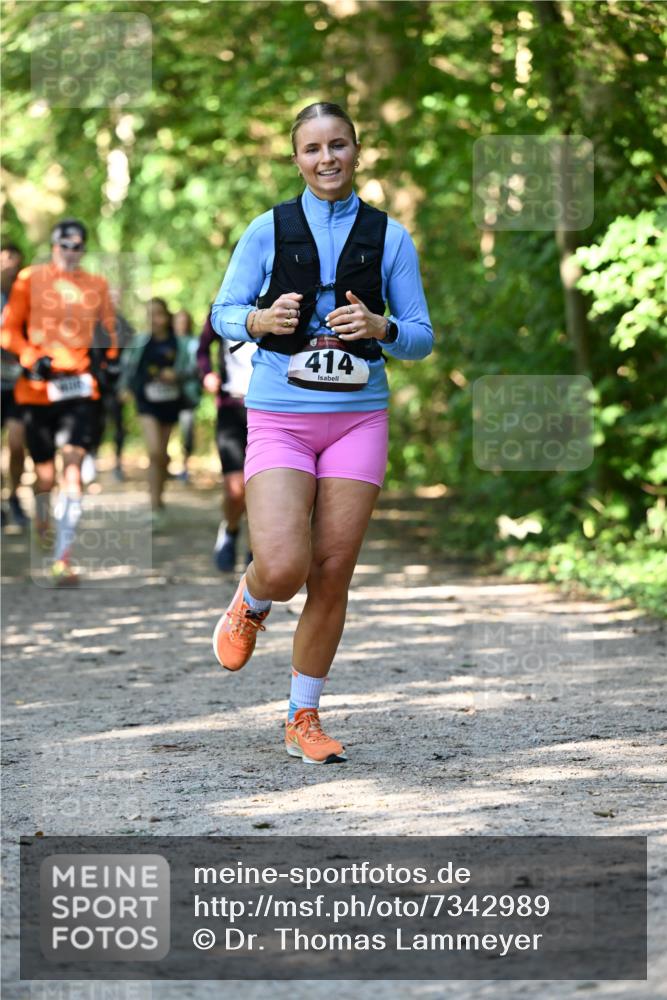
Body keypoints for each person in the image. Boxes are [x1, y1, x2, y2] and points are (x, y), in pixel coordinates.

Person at [210, 102, 433, 764]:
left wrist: (382, 329)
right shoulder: (266, 230)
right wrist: (258, 321)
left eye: (338, 145)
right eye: (312, 148)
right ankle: (250, 599)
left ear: (357, 151)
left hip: (358, 416)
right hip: (281, 415)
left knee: (332, 573)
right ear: (295, 159)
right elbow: (222, 312)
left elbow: (420, 337)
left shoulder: (388, 236)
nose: (326, 158)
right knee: (284, 564)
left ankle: (302, 718)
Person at [0, 219, 117, 584]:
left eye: (78, 246)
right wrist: (32, 357)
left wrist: (107, 359)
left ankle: (62, 557)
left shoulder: (96, 284)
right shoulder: (28, 279)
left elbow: (111, 332)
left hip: (80, 390)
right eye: (65, 245)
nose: (72, 251)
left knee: (72, 472)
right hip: (36, 391)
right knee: (46, 478)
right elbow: (7, 332)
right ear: (54, 246)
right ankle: (41, 518)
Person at [121, 298, 196, 527]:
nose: (155, 319)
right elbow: (129, 366)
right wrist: (124, 388)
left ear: (167, 316)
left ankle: (159, 502)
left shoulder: (180, 343)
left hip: (170, 402)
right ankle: (154, 505)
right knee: (154, 452)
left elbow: (193, 369)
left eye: (159, 314)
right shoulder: (141, 341)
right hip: (146, 402)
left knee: (161, 455)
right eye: (150, 315)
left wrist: (177, 375)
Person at [197, 308, 256, 571]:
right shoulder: (223, 306)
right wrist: (206, 373)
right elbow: (201, 348)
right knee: (236, 489)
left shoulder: (284, 297)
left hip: (268, 410)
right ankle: (230, 531)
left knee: (262, 486)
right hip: (231, 407)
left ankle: (255, 550)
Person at [1, 242, 29, 527]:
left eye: (16, 261)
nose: (12, 265)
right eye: (7, 258)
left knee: (17, 442)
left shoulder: (25, 298)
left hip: (17, 384)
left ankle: (14, 496)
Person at [173, 308, 202, 483]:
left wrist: (177, 375)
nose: (181, 325)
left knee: (187, 431)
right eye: (178, 321)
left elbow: (197, 367)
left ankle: (185, 466)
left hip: (187, 396)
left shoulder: (194, 342)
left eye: (184, 321)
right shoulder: (167, 342)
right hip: (167, 396)